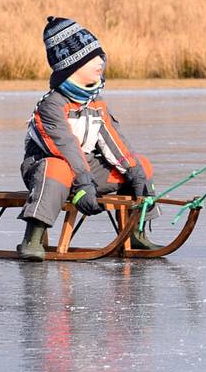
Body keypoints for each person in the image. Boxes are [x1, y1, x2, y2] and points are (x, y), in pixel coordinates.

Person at [17, 16, 158, 261]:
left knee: (140, 165)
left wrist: (134, 172)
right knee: (57, 168)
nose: (100, 62)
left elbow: (114, 143)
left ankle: (137, 231)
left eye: (99, 55)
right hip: (47, 167)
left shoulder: (95, 104)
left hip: (85, 168)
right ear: (71, 67)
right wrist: (83, 185)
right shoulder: (52, 106)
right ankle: (32, 238)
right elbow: (65, 147)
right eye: (91, 58)